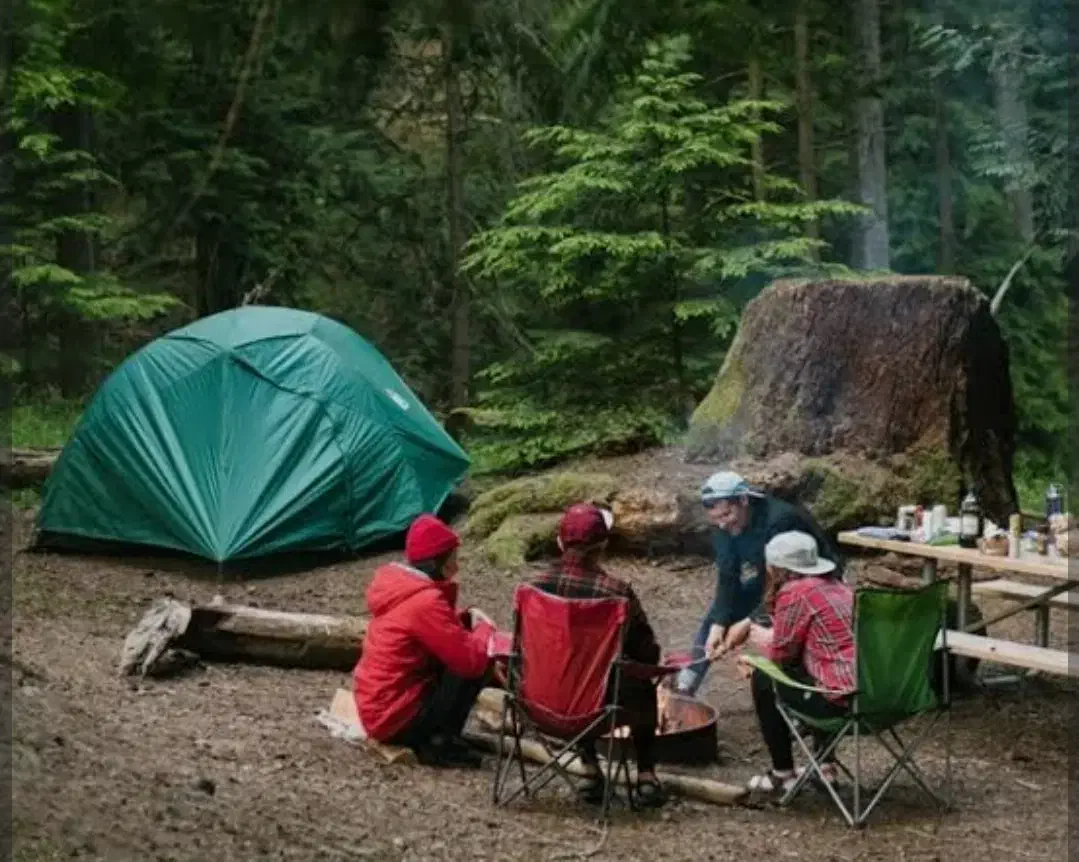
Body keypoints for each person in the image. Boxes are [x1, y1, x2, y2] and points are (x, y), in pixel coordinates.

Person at [528, 503, 668, 808]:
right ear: (602, 546)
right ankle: (645, 777)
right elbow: (647, 652)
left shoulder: (531, 589)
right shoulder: (616, 593)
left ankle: (590, 770)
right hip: (595, 707)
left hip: (538, 704)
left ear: (560, 541)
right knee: (639, 683)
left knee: (572, 675)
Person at [675, 471, 842, 694]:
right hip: (771, 578)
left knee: (780, 626)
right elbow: (728, 575)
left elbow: (787, 584)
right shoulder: (721, 524)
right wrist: (719, 624)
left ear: (744, 501)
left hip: (810, 582)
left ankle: (798, 690)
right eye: (716, 519)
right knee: (716, 617)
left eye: (727, 515)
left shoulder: (780, 521)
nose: (723, 525)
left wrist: (748, 623)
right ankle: (685, 686)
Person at [353, 513, 496, 768]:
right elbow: (470, 660)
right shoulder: (424, 601)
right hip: (393, 718)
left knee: (462, 646)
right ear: (436, 562)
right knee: (477, 660)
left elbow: (436, 631)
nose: (456, 568)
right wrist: (485, 629)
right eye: (452, 559)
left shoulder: (401, 589)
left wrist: (464, 619)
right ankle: (438, 744)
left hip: (378, 708)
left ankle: (438, 736)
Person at [732, 530, 855, 797]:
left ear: (777, 568)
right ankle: (825, 766)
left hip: (840, 702)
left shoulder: (796, 592)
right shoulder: (841, 588)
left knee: (765, 677)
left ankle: (782, 773)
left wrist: (758, 646)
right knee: (818, 670)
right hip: (876, 697)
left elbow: (781, 656)